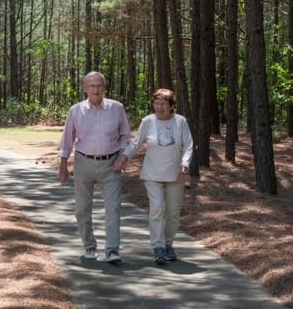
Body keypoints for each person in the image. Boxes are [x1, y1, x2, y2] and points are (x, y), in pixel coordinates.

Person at [113, 88, 193, 265]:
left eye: (163, 103)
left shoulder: (180, 121)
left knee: (172, 213)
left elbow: (188, 145)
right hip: (152, 174)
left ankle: (168, 244)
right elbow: (136, 143)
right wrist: (124, 157)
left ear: (171, 105)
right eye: (156, 103)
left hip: (176, 175)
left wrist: (185, 164)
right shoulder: (148, 121)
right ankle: (157, 247)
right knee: (157, 209)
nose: (159, 107)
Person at [58, 71, 131, 263]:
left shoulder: (117, 108)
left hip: (111, 164)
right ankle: (89, 246)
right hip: (83, 163)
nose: (95, 89)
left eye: (99, 85)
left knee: (113, 208)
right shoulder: (76, 110)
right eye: (91, 86)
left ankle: (112, 250)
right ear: (85, 89)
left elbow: (125, 136)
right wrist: (63, 164)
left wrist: (123, 156)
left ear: (104, 88)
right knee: (82, 208)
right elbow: (67, 139)